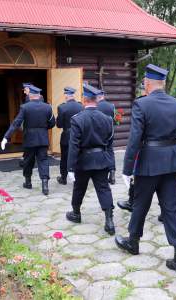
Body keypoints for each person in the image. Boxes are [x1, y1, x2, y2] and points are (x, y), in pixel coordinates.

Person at [115, 64, 176, 276]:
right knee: (171, 208)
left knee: (140, 204)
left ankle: (133, 242)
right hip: (173, 160)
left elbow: (135, 138)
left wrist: (127, 169)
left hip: (149, 161)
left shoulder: (141, 104)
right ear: (163, 84)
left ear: (147, 83)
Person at [65, 83, 115, 236]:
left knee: (79, 188)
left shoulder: (77, 119)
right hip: (101, 159)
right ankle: (109, 221)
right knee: (103, 188)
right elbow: (109, 144)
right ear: (96, 100)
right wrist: (112, 166)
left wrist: (70, 167)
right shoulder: (107, 119)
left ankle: (76, 213)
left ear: (84, 100)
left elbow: (73, 146)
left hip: (83, 160)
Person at [1, 85, 55, 195]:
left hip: (29, 139)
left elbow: (16, 123)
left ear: (30, 95)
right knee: (43, 161)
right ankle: (45, 186)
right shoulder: (48, 107)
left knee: (28, 161)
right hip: (43, 138)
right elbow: (52, 123)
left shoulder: (25, 107)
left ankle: (28, 182)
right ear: (39, 95)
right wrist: (43, 128)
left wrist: (6, 137)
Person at [116, 82, 146, 212]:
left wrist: (127, 166)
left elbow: (136, 135)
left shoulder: (140, 103)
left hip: (143, 147)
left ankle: (132, 202)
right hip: (165, 151)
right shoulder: (172, 103)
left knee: (136, 175)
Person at [56, 86, 84, 185]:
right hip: (80, 135)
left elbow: (59, 125)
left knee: (64, 157)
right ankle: (79, 178)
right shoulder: (81, 106)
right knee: (79, 156)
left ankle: (63, 178)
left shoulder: (62, 107)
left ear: (66, 95)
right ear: (73, 95)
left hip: (67, 136)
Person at [96, 90, 116, 185]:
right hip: (110, 132)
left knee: (99, 151)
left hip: (98, 133)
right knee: (110, 151)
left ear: (98, 97)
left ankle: (100, 174)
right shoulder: (111, 106)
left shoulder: (96, 106)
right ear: (103, 96)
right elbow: (113, 119)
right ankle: (112, 173)